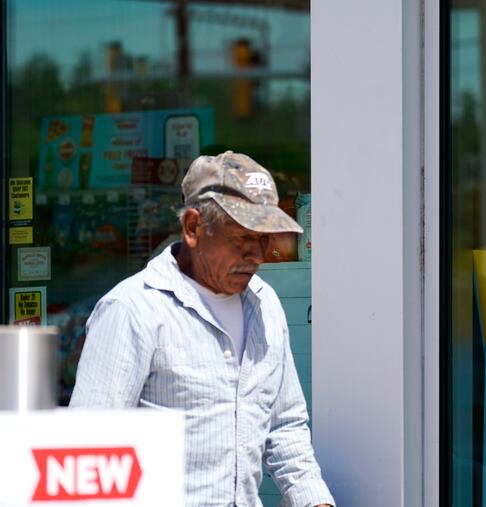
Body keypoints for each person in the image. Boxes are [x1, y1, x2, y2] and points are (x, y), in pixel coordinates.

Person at [70, 151, 334, 507]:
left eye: (264, 238)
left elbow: (284, 427)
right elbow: (88, 452)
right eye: (241, 238)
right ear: (194, 228)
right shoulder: (133, 311)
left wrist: (316, 501)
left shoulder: (265, 304)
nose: (256, 254)